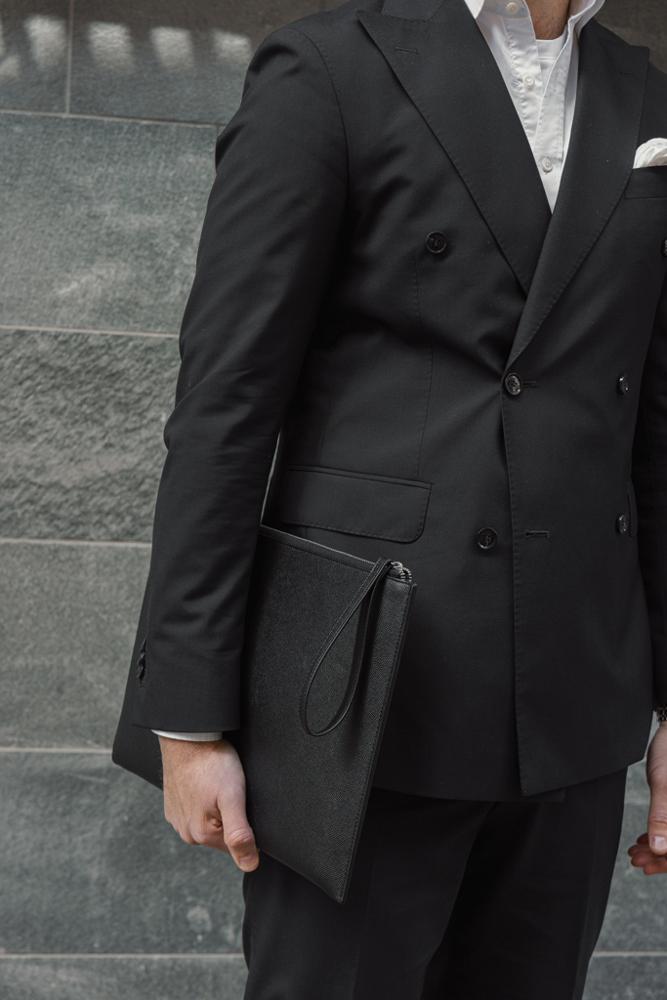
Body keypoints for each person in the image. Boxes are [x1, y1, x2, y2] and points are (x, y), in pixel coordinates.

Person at [128, 0, 667, 996]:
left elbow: (656, 430)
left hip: (574, 708)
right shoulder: (329, 66)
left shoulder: (643, 96)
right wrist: (189, 720)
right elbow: (225, 408)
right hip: (364, 701)